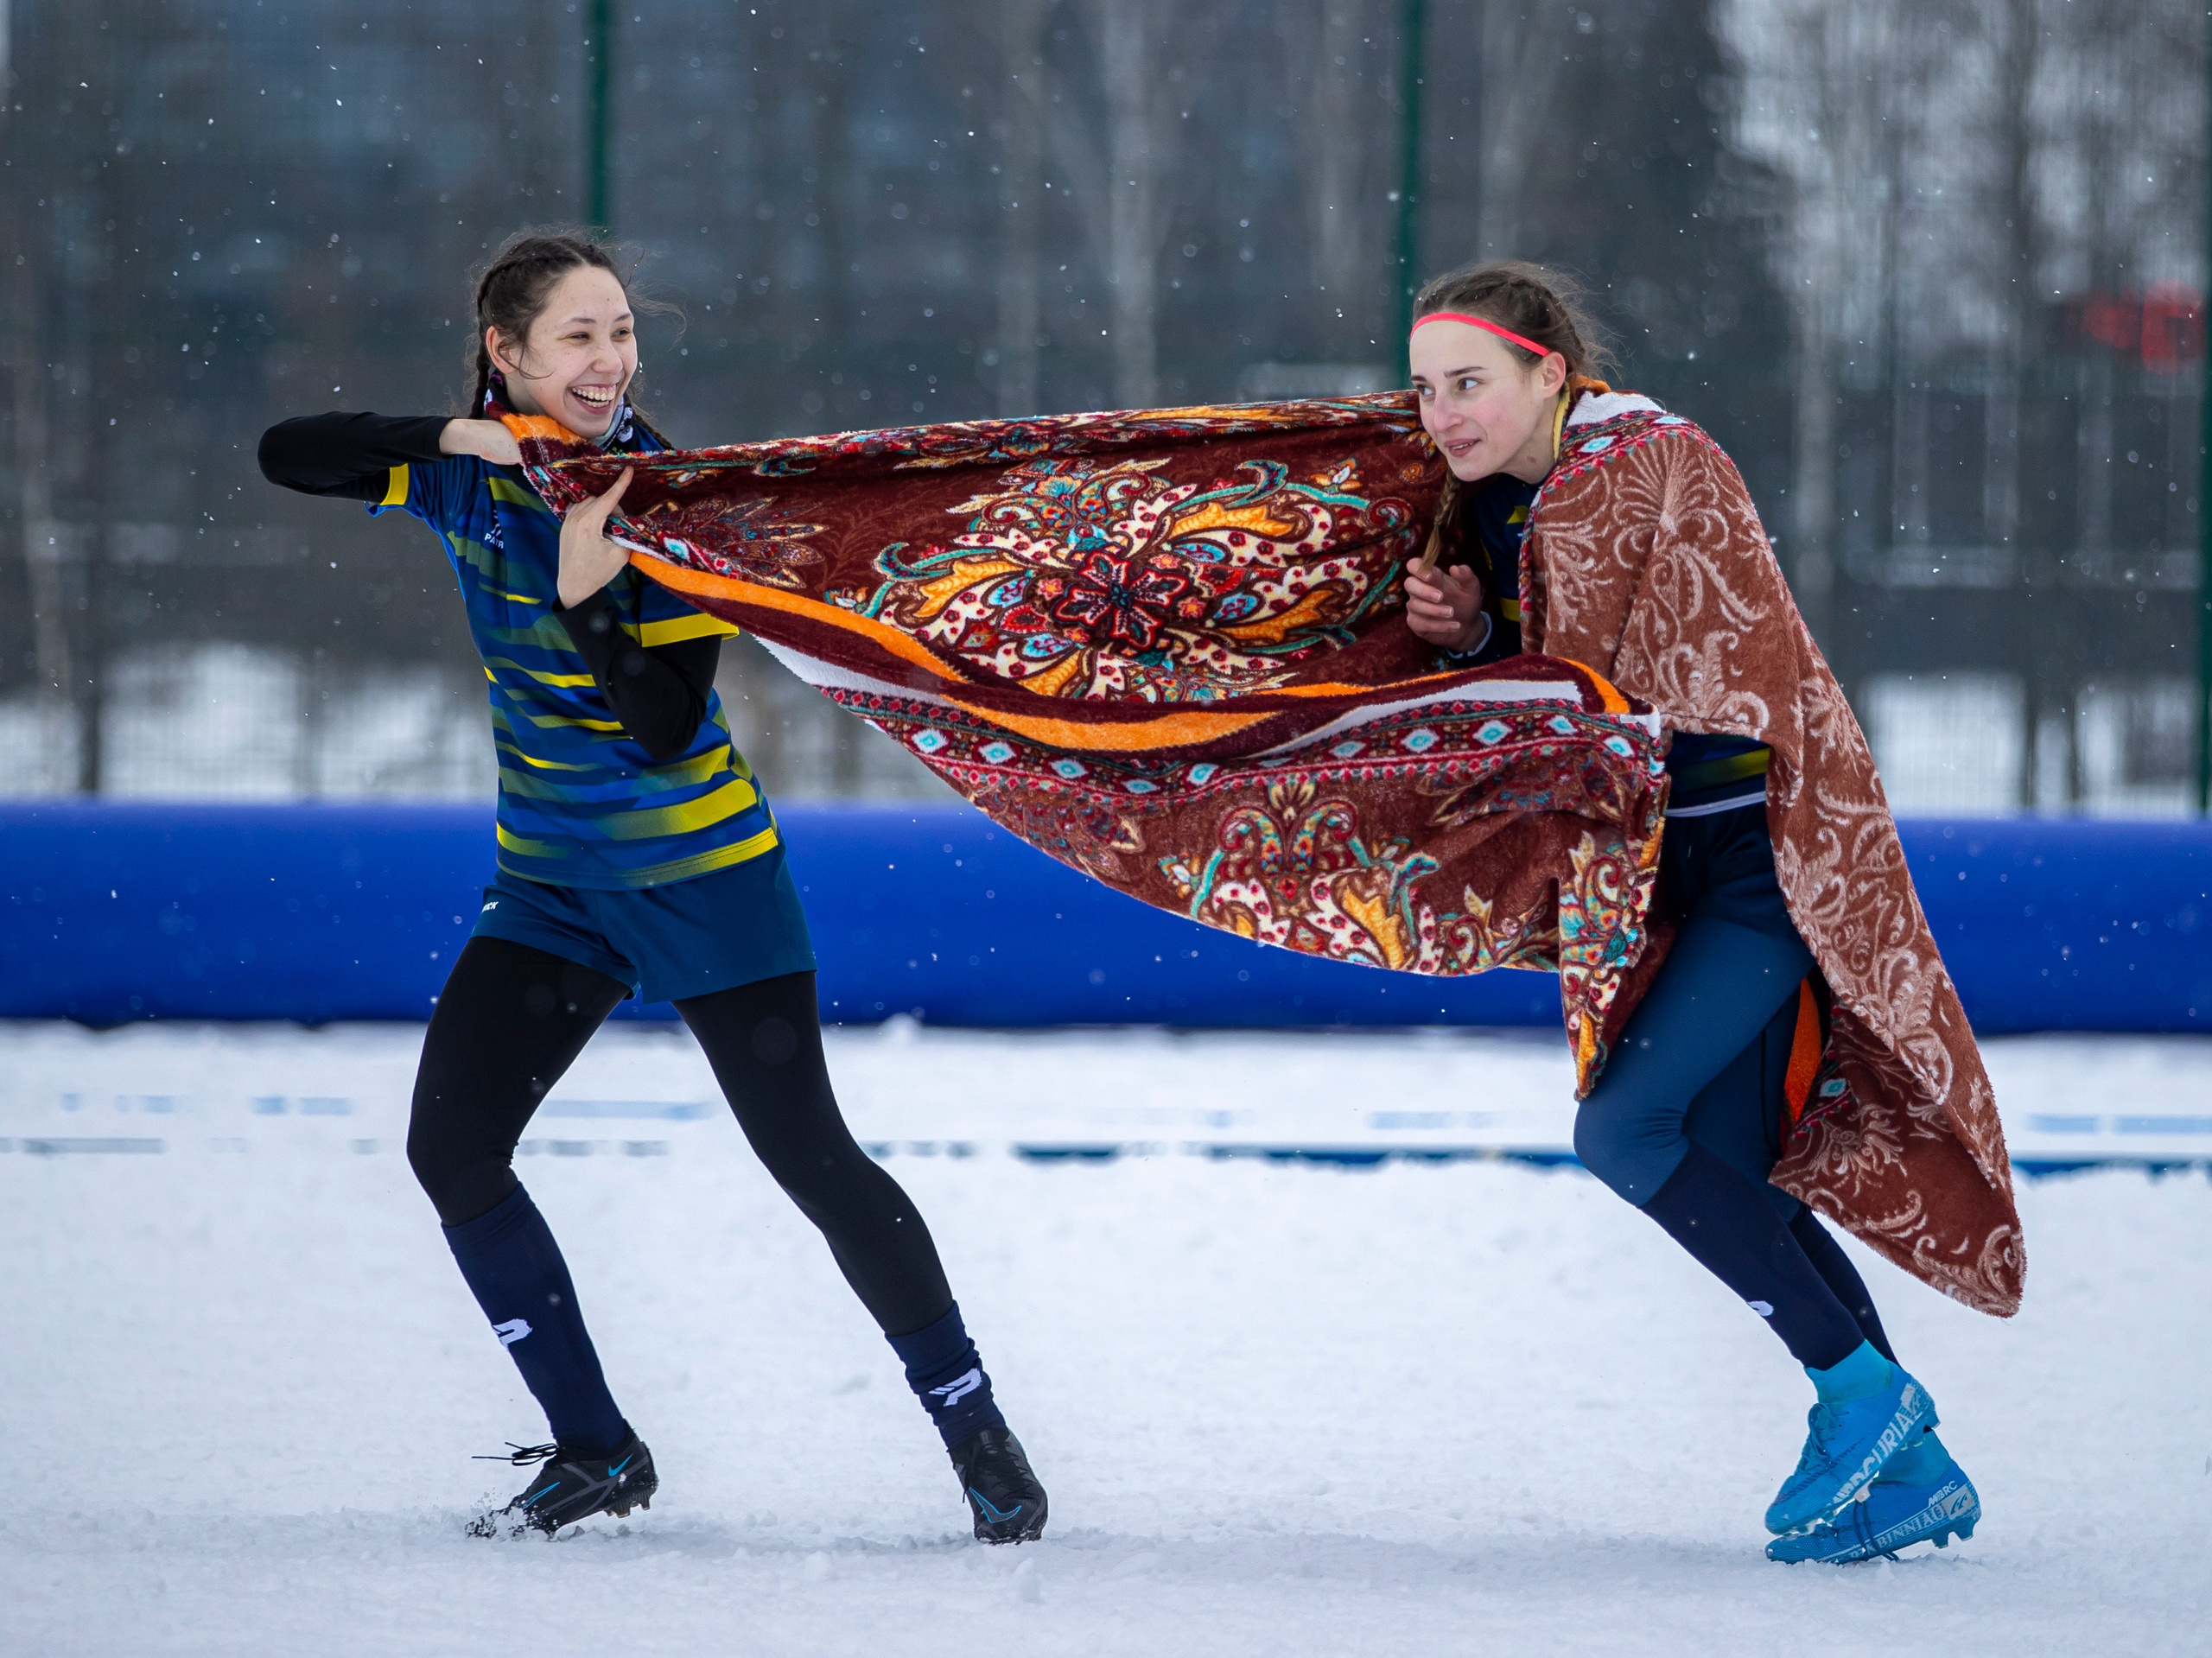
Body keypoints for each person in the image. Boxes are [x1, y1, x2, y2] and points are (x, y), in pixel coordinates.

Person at [257, 227, 1046, 1544]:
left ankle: (972, 1421)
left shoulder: (671, 503)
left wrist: (588, 595)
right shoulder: (462, 482)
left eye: (621, 333)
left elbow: (668, 727)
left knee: (811, 1158)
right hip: (554, 888)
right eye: (578, 335)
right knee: (450, 1152)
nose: (610, 360)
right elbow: (291, 451)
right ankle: (598, 1449)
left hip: (705, 877)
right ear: (507, 355)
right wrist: (466, 440)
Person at [1402, 260, 1982, 1565]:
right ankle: (1916, 1469)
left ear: (1552, 371)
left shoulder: (1654, 457)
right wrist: (1458, 636)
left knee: (1622, 1133)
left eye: (1471, 381)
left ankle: (1870, 1400)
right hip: (1667, 882)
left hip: (1763, 868)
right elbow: (1552, 688)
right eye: (1427, 387)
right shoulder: (1488, 509)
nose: (1443, 412)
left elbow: (1626, 676)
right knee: (1726, 1165)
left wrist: (1494, 637)